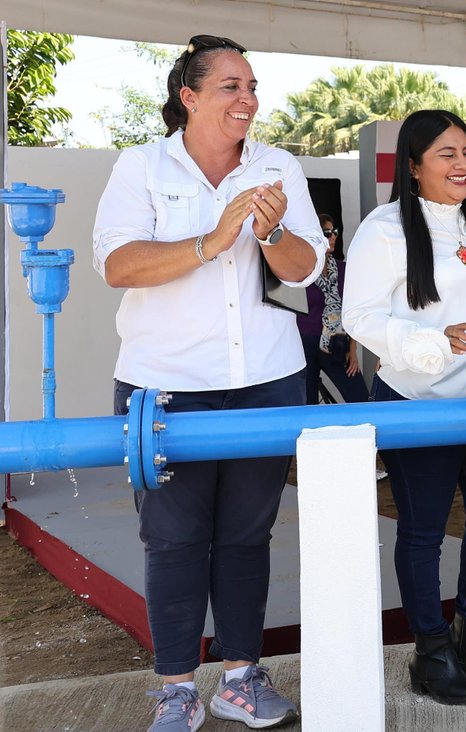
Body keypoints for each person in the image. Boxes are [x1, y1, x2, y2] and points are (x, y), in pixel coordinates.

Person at [92, 34, 322, 731]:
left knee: (249, 535)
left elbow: (305, 270)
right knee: (173, 540)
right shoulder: (141, 165)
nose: (247, 99)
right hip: (164, 386)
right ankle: (176, 689)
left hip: (267, 379)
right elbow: (119, 265)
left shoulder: (279, 166)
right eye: (230, 86)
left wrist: (272, 236)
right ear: (188, 97)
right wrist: (212, 241)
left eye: (251, 87)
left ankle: (240, 679)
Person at [343, 109, 466, 706]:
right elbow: (359, 316)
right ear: (414, 166)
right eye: (447, 154)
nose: (462, 164)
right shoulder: (385, 228)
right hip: (417, 405)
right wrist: (428, 342)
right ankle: (431, 650)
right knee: (423, 532)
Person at [299, 213, 369, 406]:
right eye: (327, 233)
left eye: (335, 232)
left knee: (361, 400)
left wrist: (353, 350)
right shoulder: (301, 271)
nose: (333, 237)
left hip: (336, 342)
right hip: (305, 344)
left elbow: (353, 309)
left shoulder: (343, 269)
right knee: (307, 405)